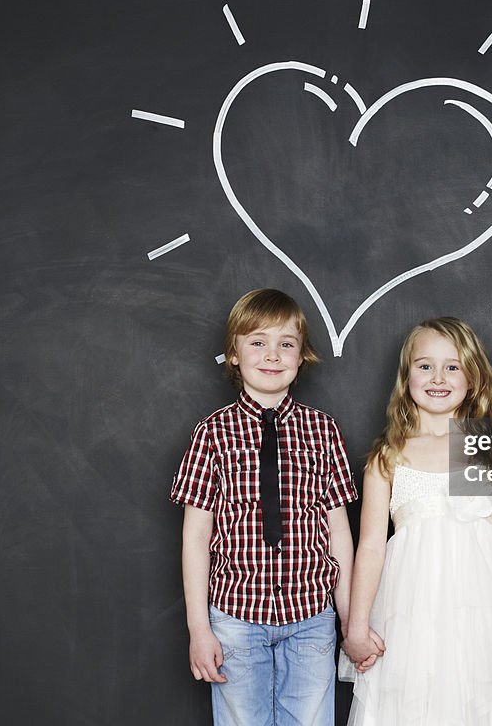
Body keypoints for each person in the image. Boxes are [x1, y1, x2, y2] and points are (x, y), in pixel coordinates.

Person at [341, 318, 492, 725]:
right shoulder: (388, 457)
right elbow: (370, 545)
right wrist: (358, 626)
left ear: (473, 376)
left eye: (452, 366)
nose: (438, 377)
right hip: (409, 618)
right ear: (406, 375)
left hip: (478, 619)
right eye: (425, 365)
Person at [170, 288, 360, 726]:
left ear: (301, 356)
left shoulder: (323, 430)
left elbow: (338, 531)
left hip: (312, 615)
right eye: (258, 342)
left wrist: (348, 617)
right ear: (234, 354)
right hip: (236, 616)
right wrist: (199, 629)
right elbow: (196, 537)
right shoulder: (212, 434)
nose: (272, 355)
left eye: (286, 344)